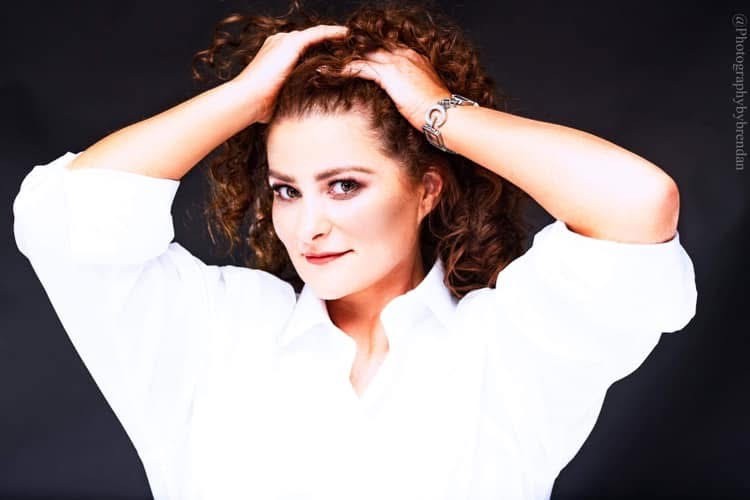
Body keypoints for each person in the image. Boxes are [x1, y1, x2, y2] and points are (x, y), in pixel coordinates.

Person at [11, 1, 697, 499]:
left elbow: (637, 205)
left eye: (344, 185)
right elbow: (65, 218)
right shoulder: (213, 330)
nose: (308, 225)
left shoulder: (509, 346)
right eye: (286, 190)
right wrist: (245, 97)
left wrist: (438, 112)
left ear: (426, 190)